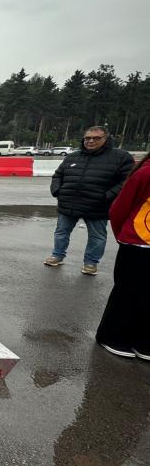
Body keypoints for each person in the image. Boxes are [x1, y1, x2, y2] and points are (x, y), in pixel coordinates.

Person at [45, 126, 134, 275]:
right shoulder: (73, 156)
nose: (91, 141)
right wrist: (57, 190)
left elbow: (127, 180)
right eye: (88, 138)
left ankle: (91, 263)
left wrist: (108, 196)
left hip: (97, 205)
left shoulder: (120, 157)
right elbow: (58, 175)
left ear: (106, 139)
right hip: (68, 203)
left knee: (97, 237)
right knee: (61, 232)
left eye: (96, 138)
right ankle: (57, 255)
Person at [95, 150, 149, 359]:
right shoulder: (144, 174)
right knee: (128, 293)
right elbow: (118, 209)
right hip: (137, 243)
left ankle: (143, 342)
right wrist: (124, 236)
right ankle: (113, 337)